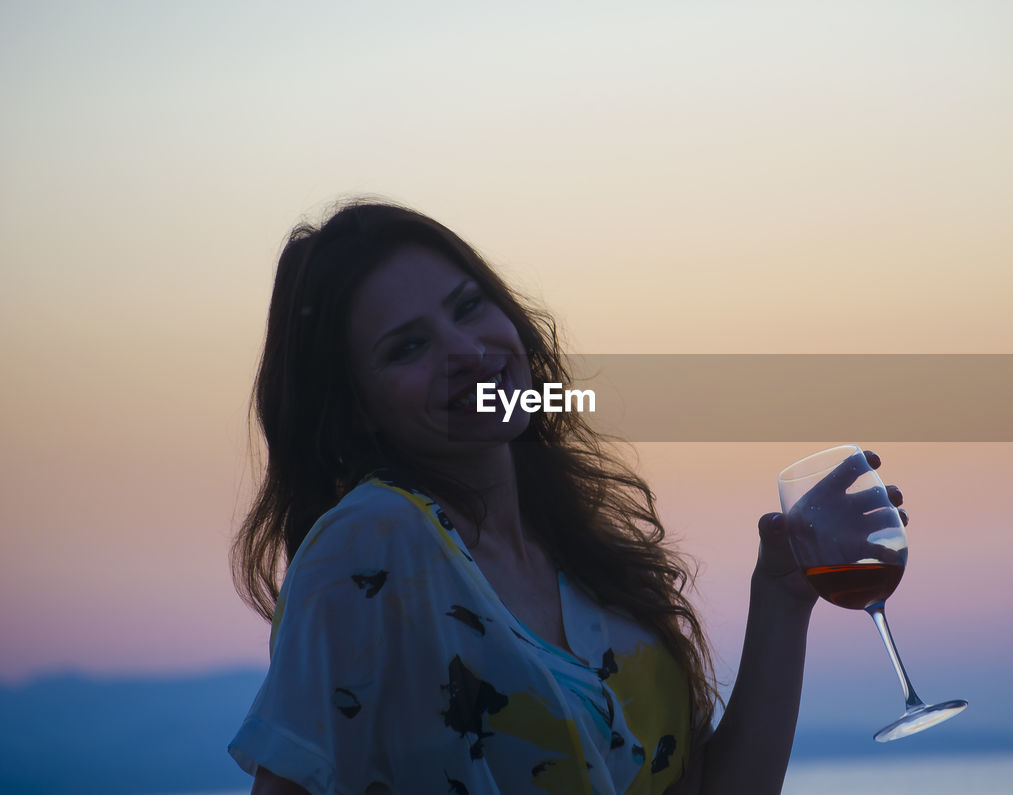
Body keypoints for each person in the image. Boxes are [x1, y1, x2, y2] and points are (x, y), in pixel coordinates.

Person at [227, 199, 906, 794]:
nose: (467, 350)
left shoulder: (584, 557)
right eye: (407, 347)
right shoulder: (374, 543)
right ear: (357, 410)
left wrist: (783, 594)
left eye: (468, 306)